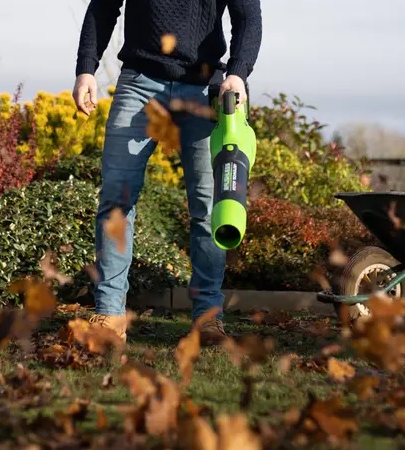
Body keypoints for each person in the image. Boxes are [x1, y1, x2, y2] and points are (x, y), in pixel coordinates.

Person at [72, 0, 262, 346]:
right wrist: (87, 68)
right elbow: (103, 7)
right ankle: (110, 313)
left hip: (205, 90)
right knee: (117, 197)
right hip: (138, 84)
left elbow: (248, 17)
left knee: (208, 208)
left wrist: (237, 72)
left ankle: (208, 317)